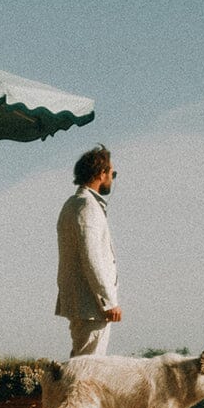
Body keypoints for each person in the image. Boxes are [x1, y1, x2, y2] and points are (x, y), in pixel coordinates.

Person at [56, 145, 120, 356]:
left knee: (80, 367)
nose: (112, 177)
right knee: (87, 371)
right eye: (112, 173)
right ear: (101, 173)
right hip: (91, 306)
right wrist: (108, 301)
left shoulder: (73, 204)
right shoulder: (87, 207)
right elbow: (91, 257)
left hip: (84, 303)